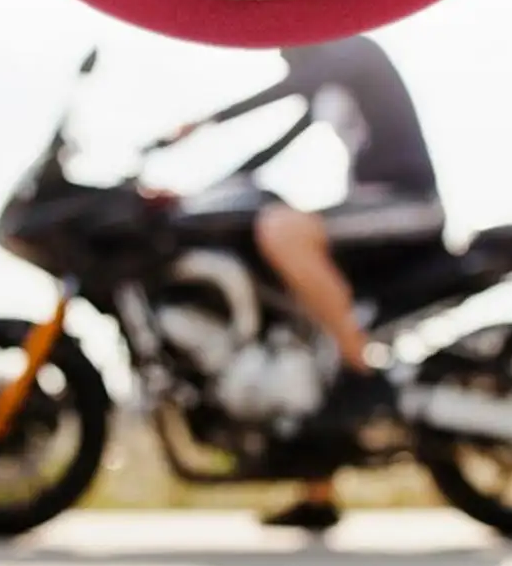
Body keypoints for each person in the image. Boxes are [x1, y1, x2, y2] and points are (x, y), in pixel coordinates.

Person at [159, 35, 444, 531]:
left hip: (404, 203)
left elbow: (292, 87)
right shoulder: (328, 77)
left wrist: (206, 122)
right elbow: (279, 143)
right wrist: (201, 194)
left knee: (281, 228)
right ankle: (317, 492)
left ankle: (363, 375)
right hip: (372, 206)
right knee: (301, 321)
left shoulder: (355, 49)